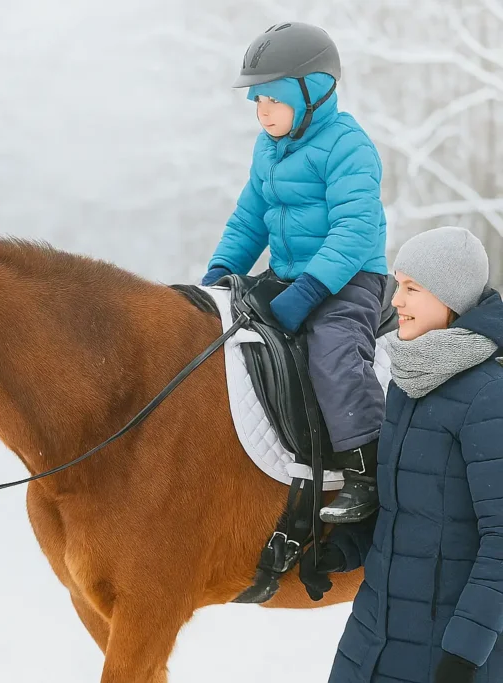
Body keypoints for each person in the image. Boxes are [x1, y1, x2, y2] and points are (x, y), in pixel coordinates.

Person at [201, 22, 389, 523]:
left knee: (331, 352)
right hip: (288, 277)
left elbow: (353, 230)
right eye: (257, 101)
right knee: (225, 332)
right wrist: (218, 275)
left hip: (348, 281)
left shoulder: (349, 146)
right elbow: (248, 219)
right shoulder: (267, 149)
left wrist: (309, 290)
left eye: (274, 100)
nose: (263, 112)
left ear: (314, 91)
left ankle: (366, 467)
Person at [300, 226, 503, 683]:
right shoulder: (407, 386)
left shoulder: (490, 396)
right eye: (398, 284)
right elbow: (400, 511)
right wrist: (342, 553)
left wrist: (465, 654)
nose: (395, 300)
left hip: (448, 653)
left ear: (449, 299)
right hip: (370, 639)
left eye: (412, 288)